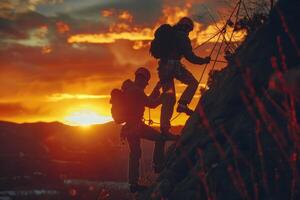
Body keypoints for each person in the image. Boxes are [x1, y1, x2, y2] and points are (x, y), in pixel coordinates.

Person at [119, 67, 178, 193]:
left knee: (135, 154)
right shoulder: (137, 91)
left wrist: (156, 89)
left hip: (128, 128)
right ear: (142, 79)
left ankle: (133, 184)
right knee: (160, 138)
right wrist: (164, 96)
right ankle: (158, 165)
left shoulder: (129, 89)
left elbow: (146, 100)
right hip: (136, 126)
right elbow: (152, 104)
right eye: (146, 82)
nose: (146, 85)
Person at [156, 17, 211, 134]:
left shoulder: (171, 34)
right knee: (193, 83)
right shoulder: (182, 36)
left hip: (164, 67)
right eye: (189, 29)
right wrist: (204, 61)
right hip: (174, 66)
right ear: (187, 27)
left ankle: (164, 128)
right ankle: (183, 104)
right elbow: (190, 57)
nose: (189, 32)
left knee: (169, 98)